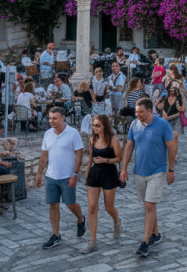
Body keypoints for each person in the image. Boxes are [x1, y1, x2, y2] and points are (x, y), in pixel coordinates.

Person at [119, 98, 176, 258]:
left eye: (141, 112)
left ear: (150, 111)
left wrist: (171, 169)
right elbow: (129, 146)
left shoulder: (163, 125)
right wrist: (123, 169)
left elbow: (171, 147)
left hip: (157, 171)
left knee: (150, 206)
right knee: (148, 205)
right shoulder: (134, 125)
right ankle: (156, 234)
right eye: (136, 112)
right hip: (139, 171)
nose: (137, 115)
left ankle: (144, 243)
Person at [36, 106, 86, 250]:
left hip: (67, 176)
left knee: (70, 204)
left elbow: (79, 155)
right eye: (50, 118)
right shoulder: (47, 134)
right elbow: (44, 156)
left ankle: (81, 219)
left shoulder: (73, 133)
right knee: (53, 205)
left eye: (54, 118)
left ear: (63, 118)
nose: (51, 121)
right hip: (51, 176)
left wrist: (75, 174)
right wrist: (39, 174)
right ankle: (56, 236)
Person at [81, 114, 122, 254]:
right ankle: (93, 241)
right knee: (92, 207)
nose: (95, 128)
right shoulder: (93, 139)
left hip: (109, 174)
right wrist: (87, 176)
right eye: (93, 125)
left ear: (104, 125)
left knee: (108, 207)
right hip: (95, 174)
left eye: (98, 125)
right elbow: (90, 159)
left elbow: (119, 157)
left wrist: (106, 160)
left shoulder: (113, 140)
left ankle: (117, 220)